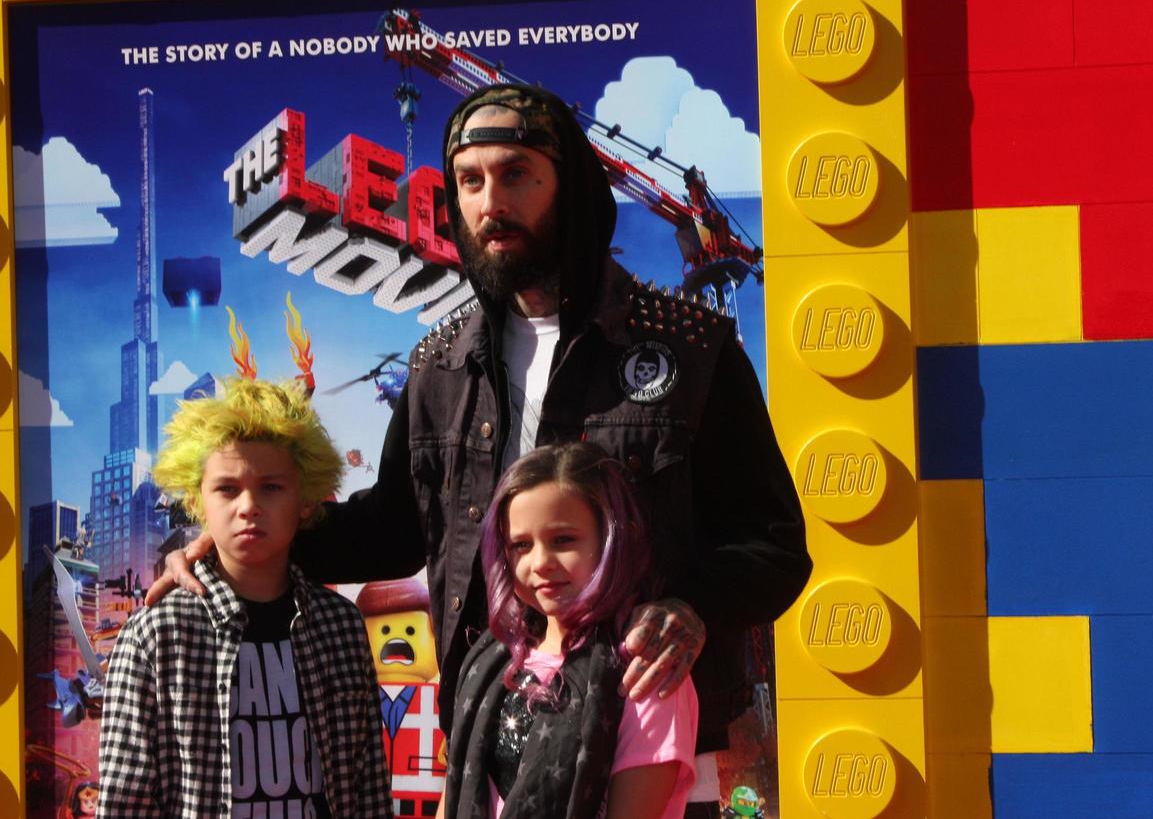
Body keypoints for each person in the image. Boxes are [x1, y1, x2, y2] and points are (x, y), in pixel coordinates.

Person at [153, 82, 811, 817]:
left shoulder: (691, 350)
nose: (490, 202)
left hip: (651, 745)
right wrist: (240, 539)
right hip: (488, 747)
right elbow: (389, 529)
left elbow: (776, 544)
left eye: (516, 175)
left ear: (572, 189)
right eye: (470, 181)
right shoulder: (438, 364)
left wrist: (693, 607)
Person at [99, 377, 390, 817]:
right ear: (199, 501)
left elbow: (368, 788)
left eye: (271, 487)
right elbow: (126, 803)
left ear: (306, 500)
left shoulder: (342, 627)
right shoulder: (156, 635)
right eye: (227, 489)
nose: (248, 505)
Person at [440, 441, 697, 819]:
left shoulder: (645, 672)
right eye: (521, 545)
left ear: (613, 537)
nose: (540, 562)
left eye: (563, 540)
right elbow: (454, 794)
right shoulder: (490, 660)